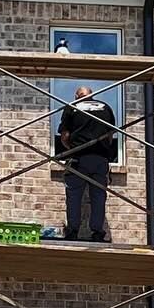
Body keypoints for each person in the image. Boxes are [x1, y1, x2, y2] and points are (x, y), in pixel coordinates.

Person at [56, 85, 118, 241]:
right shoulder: (106, 108)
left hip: (79, 158)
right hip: (100, 159)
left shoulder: (72, 107)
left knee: (74, 195)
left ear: (77, 96)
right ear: (92, 95)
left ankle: (72, 231)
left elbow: (65, 136)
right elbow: (110, 136)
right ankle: (97, 232)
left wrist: (72, 148)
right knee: (98, 196)